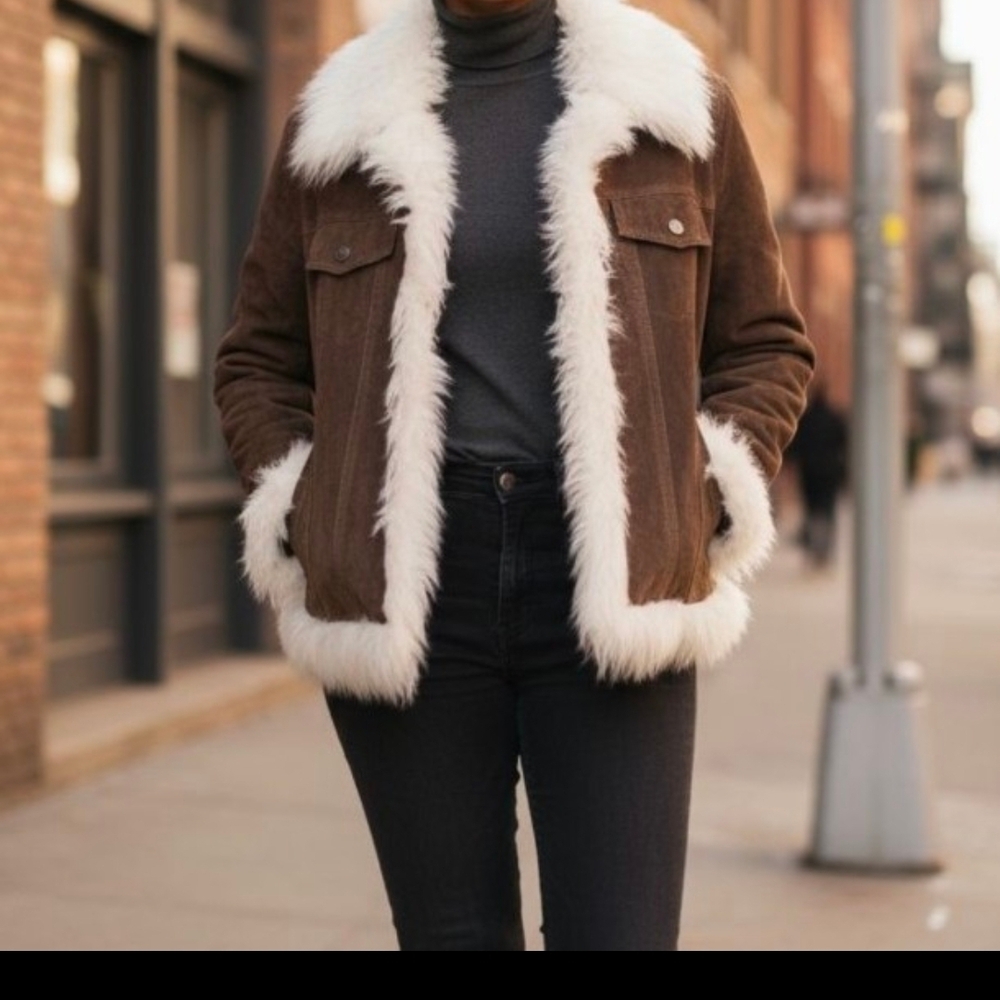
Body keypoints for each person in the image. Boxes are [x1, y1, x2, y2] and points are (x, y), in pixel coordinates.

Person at [214, 0, 814, 952]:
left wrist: (692, 496)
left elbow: (765, 345)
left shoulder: (673, 102)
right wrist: (304, 501)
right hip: (411, 578)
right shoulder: (339, 121)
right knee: (450, 934)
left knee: (619, 934)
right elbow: (258, 359)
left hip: (610, 580)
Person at [787, 383, 849, 569]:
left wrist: (792, 463)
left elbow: (795, 446)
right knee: (828, 511)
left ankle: (813, 549)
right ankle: (826, 551)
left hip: (809, 473)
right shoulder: (834, 417)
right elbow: (844, 444)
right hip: (830, 473)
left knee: (811, 510)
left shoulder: (806, 419)